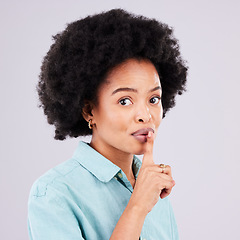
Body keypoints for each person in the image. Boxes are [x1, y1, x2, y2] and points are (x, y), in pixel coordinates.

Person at [28, 8, 187, 240]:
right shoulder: (53, 194)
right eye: (124, 101)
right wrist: (138, 206)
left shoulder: (154, 188)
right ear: (88, 110)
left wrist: (145, 194)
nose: (145, 115)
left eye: (153, 99)